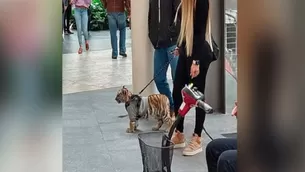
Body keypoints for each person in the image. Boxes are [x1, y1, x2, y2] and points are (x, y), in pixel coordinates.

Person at [171, 0, 214, 156]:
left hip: (199, 55)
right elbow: (184, 30)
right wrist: (179, 46)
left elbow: (200, 33)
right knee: (177, 91)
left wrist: (196, 61)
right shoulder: (185, 3)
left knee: (197, 96)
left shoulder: (201, 2)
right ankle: (179, 132)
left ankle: (197, 137)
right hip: (186, 52)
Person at [148, 0, 180, 117]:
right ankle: (171, 106)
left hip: (172, 43)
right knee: (158, 78)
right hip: (158, 44)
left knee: (177, 78)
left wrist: (172, 33)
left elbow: (179, 14)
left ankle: (178, 108)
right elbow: (150, 16)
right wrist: (152, 34)